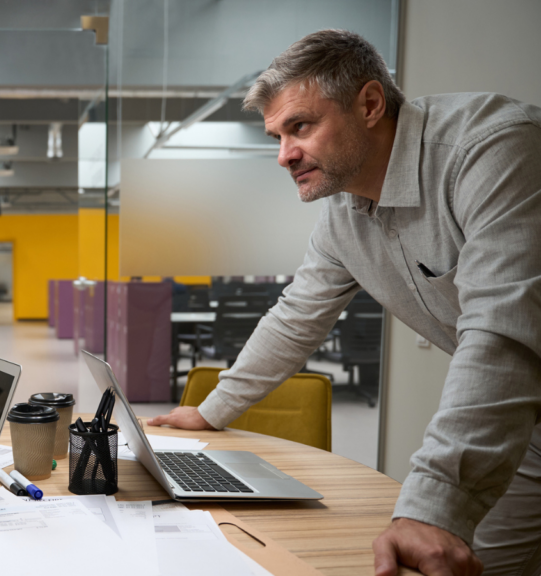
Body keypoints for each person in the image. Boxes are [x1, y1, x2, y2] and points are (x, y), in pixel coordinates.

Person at [148, 30, 541, 576]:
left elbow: (501, 332)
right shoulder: (344, 215)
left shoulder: (490, 149)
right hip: (521, 425)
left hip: (513, 389)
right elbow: (295, 317)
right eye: (277, 136)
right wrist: (210, 410)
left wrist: (430, 505)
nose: (284, 154)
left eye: (300, 126)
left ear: (371, 105)